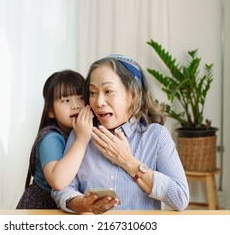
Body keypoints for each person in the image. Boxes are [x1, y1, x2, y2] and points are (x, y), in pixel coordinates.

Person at [52, 54, 189, 214]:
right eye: (93, 92)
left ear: (132, 95)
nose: (99, 102)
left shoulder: (156, 136)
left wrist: (129, 162)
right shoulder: (82, 134)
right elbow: (61, 190)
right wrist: (84, 204)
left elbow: (180, 198)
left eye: (108, 91)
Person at [16, 70, 93, 209]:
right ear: (51, 111)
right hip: (42, 208)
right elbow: (58, 181)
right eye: (66, 100)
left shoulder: (81, 131)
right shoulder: (51, 137)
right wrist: (81, 140)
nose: (75, 105)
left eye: (81, 98)